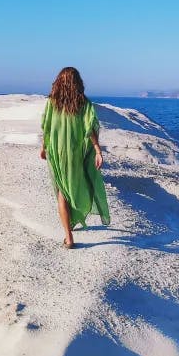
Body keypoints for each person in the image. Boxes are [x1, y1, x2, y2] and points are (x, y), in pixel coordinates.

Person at [40, 67, 111, 248]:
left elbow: (46, 127)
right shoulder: (83, 103)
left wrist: (43, 147)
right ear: (78, 82)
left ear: (58, 82)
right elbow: (90, 129)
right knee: (74, 186)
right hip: (75, 153)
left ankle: (68, 237)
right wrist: (97, 150)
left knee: (62, 192)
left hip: (56, 153)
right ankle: (73, 222)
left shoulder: (52, 102)